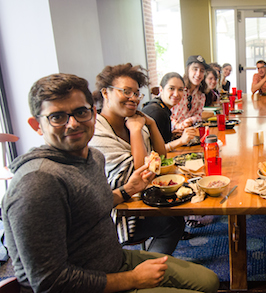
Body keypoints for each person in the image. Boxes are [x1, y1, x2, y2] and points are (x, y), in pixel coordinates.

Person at [3, 73, 219, 292]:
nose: (73, 124)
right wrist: (134, 279)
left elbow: (93, 204)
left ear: (93, 113)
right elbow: (50, 282)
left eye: (81, 112)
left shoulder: (92, 157)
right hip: (91, 284)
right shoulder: (37, 184)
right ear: (36, 125)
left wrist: (127, 190)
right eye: (57, 117)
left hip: (116, 261)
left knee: (210, 282)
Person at [89, 64, 185, 255]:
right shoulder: (97, 132)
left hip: (141, 198)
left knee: (177, 213)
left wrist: (149, 123)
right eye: (126, 91)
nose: (133, 98)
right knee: (171, 223)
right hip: (115, 210)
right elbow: (139, 173)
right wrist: (134, 131)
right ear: (106, 93)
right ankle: (149, 270)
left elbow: (161, 157)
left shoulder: (135, 121)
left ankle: (150, 266)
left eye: (136, 93)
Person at [142, 72, 197, 151]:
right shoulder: (156, 112)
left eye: (180, 89)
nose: (176, 94)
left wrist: (171, 135)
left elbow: (159, 139)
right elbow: (151, 152)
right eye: (171, 88)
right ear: (161, 89)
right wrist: (181, 141)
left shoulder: (163, 108)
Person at [171, 55, 209, 130]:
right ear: (188, 70)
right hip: (172, 132)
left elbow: (198, 115)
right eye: (195, 69)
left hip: (189, 132)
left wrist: (191, 120)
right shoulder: (177, 90)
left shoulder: (201, 95)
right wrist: (178, 126)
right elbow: (165, 114)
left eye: (202, 71)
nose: (198, 74)